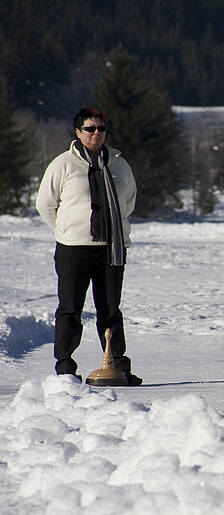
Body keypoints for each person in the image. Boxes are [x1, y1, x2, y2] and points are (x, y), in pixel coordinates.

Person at [35, 107, 141, 386]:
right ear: (78, 132)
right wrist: (66, 229)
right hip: (74, 248)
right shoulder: (63, 164)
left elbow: (128, 202)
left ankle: (117, 364)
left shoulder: (119, 164)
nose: (97, 134)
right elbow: (45, 204)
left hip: (111, 248)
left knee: (110, 309)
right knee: (70, 308)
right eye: (90, 129)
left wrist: (112, 228)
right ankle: (66, 367)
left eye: (101, 129)